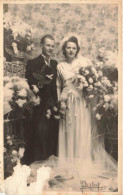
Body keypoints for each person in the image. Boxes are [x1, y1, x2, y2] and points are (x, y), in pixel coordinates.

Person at [24, 34, 58, 163]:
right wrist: (40, 83)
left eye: (52, 46)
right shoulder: (32, 63)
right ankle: (38, 162)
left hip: (52, 103)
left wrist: (57, 103)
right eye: (48, 45)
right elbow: (29, 81)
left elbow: (57, 85)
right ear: (41, 46)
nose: (50, 48)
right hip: (39, 104)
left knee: (52, 133)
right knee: (40, 133)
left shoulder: (55, 63)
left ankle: (49, 163)